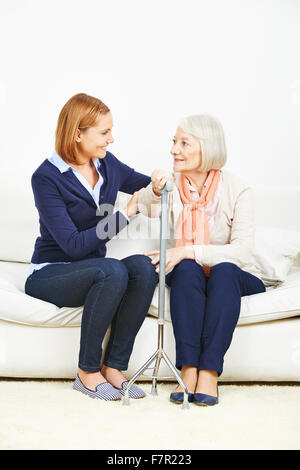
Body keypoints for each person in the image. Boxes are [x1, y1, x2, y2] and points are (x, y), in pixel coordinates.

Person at [25, 93, 158, 401]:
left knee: (142, 267)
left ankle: (113, 368)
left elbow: (143, 183)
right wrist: (126, 214)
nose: (111, 139)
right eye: (104, 132)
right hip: (51, 273)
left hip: (94, 271)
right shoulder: (46, 178)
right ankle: (86, 372)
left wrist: (160, 181)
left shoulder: (106, 164)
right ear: (77, 134)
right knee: (111, 269)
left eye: (110, 131)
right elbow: (72, 246)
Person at [138, 114, 266, 406]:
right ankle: (189, 368)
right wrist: (156, 188)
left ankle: (209, 370)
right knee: (185, 269)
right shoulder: (172, 186)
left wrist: (187, 250)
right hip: (190, 277)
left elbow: (241, 252)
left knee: (222, 270)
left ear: (207, 148)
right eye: (174, 142)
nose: (174, 150)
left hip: (232, 277)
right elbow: (142, 206)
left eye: (184, 143)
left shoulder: (238, 189)